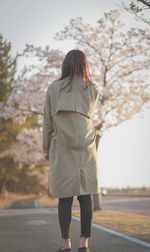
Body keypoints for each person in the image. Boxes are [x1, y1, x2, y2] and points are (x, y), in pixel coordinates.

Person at [43, 49, 100, 252]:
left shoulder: (53, 88)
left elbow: (48, 122)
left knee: (65, 197)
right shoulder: (92, 89)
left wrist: (46, 149)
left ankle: (66, 245)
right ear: (85, 65)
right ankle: (84, 244)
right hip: (87, 149)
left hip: (62, 148)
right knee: (86, 196)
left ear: (65, 64)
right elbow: (87, 117)